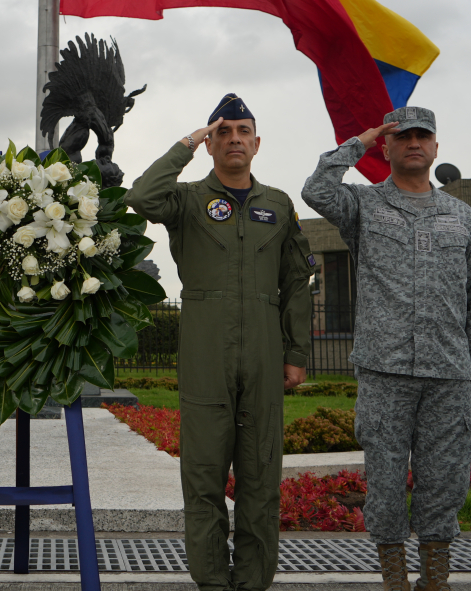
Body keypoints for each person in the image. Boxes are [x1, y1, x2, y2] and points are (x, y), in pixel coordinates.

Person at [301, 107, 471, 591]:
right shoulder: (364, 206)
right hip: (385, 368)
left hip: (449, 370)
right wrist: (359, 141)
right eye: (401, 136)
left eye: (422, 136)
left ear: (435, 147)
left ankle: (435, 575)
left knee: (446, 475)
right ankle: (393, 576)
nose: (413, 143)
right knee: (385, 477)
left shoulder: (461, 215)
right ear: (386, 148)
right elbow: (316, 190)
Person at [125, 94, 314, 591]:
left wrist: (296, 354)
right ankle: (211, 581)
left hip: (263, 356)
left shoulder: (279, 203)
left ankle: (252, 582)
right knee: (204, 478)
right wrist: (186, 143)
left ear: (256, 143)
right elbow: (142, 198)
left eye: (243, 131)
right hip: (206, 352)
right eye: (223, 131)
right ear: (211, 143)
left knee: (261, 478)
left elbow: (297, 282)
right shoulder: (186, 199)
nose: (234, 139)